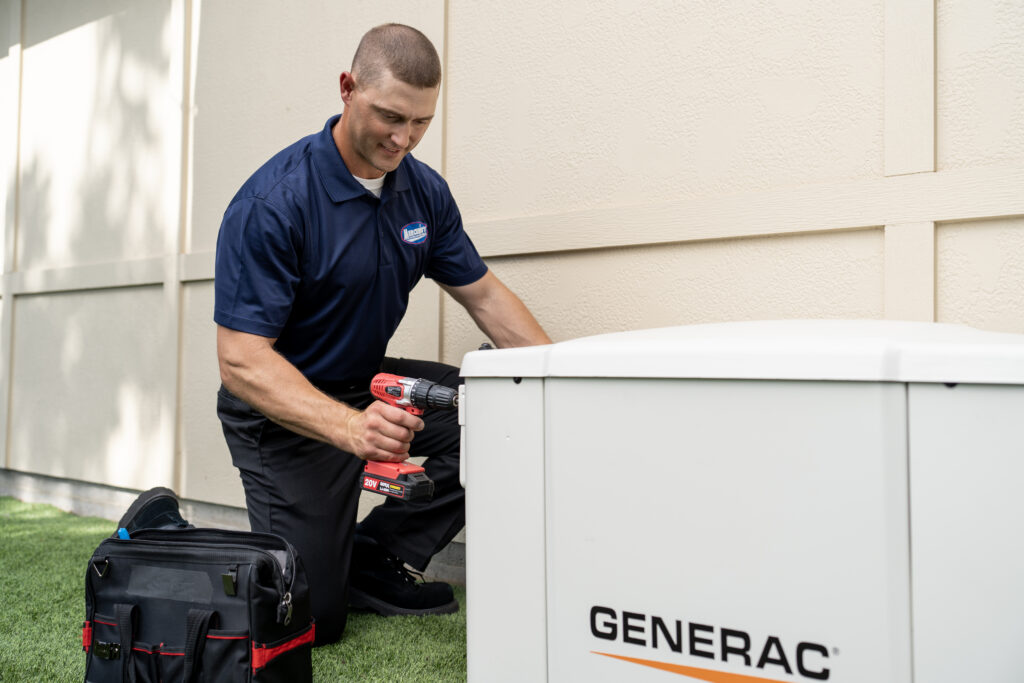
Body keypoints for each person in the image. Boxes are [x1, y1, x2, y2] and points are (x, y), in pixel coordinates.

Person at [212, 23, 550, 645]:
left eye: (421, 123)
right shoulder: (275, 203)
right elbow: (239, 361)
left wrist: (565, 384)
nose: (404, 138)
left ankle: (374, 556)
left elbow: (487, 298)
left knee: (509, 409)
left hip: (366, 382)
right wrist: (349, 428)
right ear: (347, 89)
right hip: (280, 413)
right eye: (390, 116)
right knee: (313, 623)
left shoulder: (423, 192)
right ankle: (275, 562)